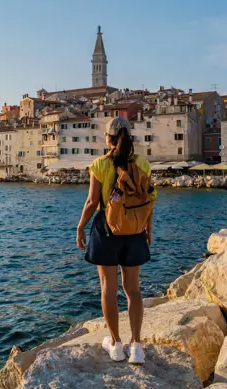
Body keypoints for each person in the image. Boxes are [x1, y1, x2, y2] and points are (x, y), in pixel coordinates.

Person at [76, 117, 156, 364]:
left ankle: (116, 344)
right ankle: (137, 347)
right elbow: (148, 200)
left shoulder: (100, 164)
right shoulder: (142, 164)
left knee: (108, 290)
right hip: (134, 231)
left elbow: (92, 202)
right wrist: (148, 229)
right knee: (133, 290)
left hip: (106, 232)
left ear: (108, 139)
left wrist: (80, 227)